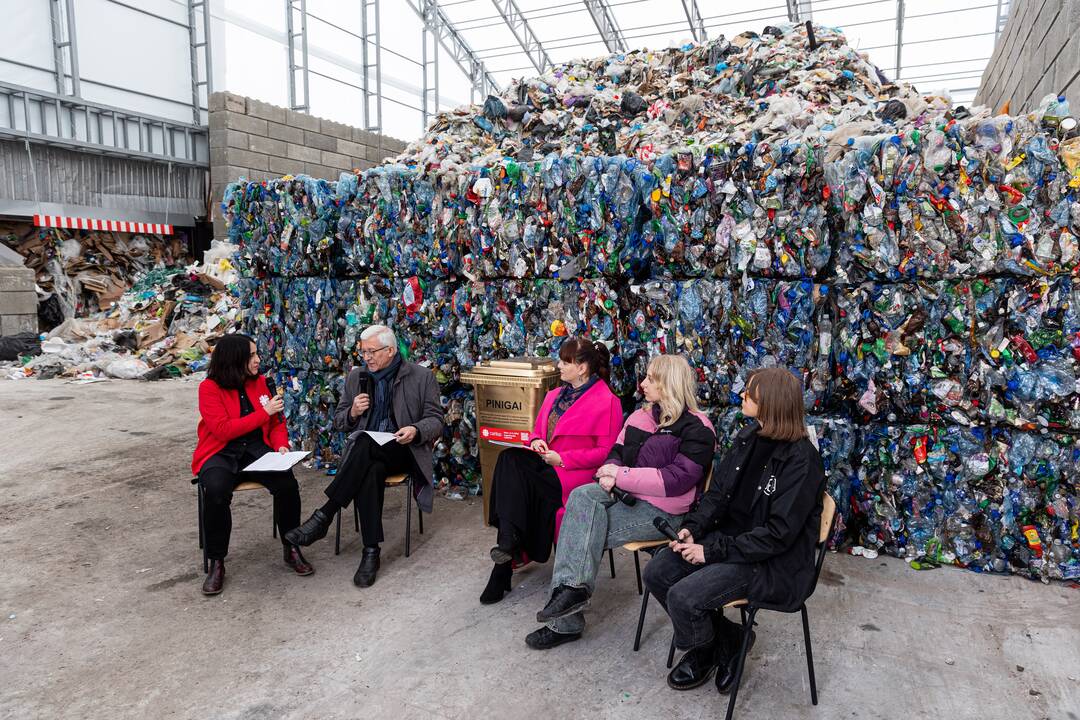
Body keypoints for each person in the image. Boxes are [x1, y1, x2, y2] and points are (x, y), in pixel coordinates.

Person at [642, 367, 825, 694]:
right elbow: (716, 498)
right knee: (658, 572)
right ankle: (726, 642)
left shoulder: (802, 460)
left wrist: (710, 552)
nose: (742, 395)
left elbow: (778, 535)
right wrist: (692, 531)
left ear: (770, 403)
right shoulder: (748, 439)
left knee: (683, 597)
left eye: (750, 393)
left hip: (768, 561)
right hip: (728, 542)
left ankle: (707, 648)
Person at [525, 354, 716, 649]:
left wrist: (620, 475)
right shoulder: (640, 417)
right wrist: (608, 473)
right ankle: (570, 593)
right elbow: (616, 451)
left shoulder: (698, 428)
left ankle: (566, 617)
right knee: (580, 497)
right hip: (622, 493)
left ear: (669, 384)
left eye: (651, 379)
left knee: (580, 526)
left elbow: (677, 480)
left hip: (664, 511)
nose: (642, 385)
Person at [286, 325, 444, 588]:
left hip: (403, 448)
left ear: (391, 350)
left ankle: (325, 515)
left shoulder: (421, 376)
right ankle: (371, 551)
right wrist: (353, 414)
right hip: (369, 456)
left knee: (362, 446)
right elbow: (339, 421)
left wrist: (415, 430)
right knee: (368, 465)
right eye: (363, 352)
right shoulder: (356, 377)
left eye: (372, 352)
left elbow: (436, 420)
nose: (366, 358)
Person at [481, 338, 624, 605]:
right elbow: (537, 431)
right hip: (545, 463)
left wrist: (563, 459)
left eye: (564, 361)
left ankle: (503, 565)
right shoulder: (553, 395)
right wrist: (536, 440)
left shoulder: (608, 402)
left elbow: (607, 453)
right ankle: (508, 545)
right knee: (509, 458)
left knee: (521, 482)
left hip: (572, 474)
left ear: (582, 368)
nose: (558, 365)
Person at [191, 333, 313, 596]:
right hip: (221, 452)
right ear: (235, 360)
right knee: (216, 491)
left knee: (287, 484)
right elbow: (222, 430)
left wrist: (281, 445)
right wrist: (264, 413)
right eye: (253, 355)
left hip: (257, 450)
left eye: (258, 354)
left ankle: (291, 547)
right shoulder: (209, 388)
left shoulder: (261, 383)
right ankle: (217, 561)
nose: (259, 360)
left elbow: (277, 423)